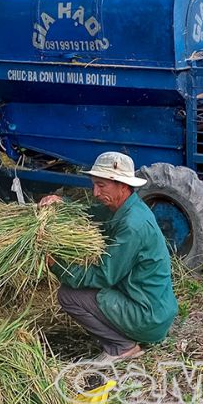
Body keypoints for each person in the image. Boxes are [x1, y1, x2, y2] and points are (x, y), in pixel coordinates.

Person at [40, 152, 178, 362]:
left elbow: (103, 276)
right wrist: (62, 204)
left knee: (69, 295)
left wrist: (58, 266)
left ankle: (122, 347)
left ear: (123, 185)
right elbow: (91, 214)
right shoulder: (121, 208)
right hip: (153, 308)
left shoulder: (133, 225)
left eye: (102, 185)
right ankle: (125, 336)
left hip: (147, 315)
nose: (95, 192)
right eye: (94, 184)